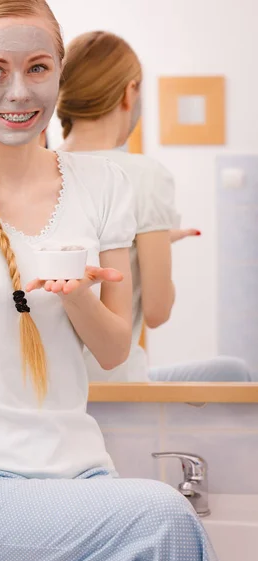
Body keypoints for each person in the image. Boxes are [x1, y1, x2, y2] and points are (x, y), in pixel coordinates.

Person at [0, 2, 232, 561]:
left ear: (59, 74)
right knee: (164, 515)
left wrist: (76, 298)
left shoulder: (105, 185)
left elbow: (113, 351)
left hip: (81, 483)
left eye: (40, 67)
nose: (19, 92)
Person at [57, 30, 252, 384]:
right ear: (130, 93)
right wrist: (158, 250)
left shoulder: (37, 168)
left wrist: (151, 242)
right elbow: (158, 312)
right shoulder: (144, 175)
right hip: (113, 384)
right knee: (235, 372)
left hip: (46, 385)